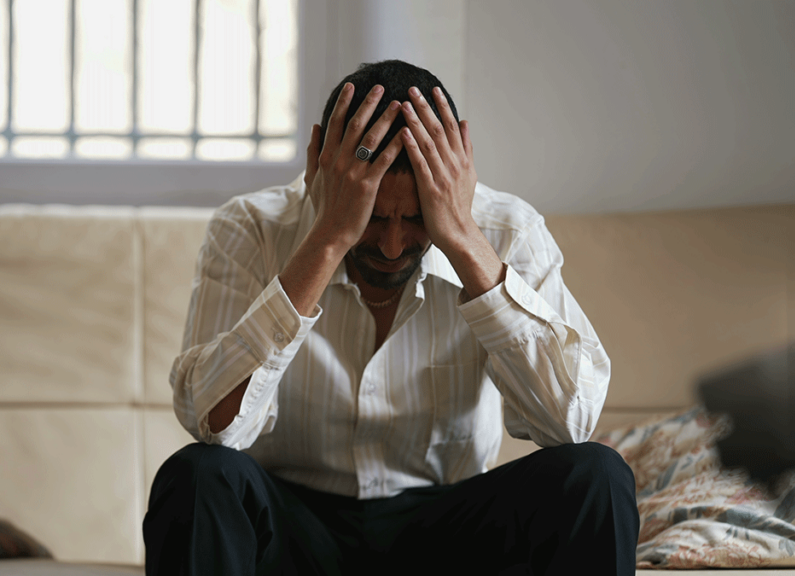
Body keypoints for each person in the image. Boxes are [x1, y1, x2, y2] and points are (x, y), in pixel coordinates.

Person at [144, 59, 639, 575]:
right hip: (292, 530)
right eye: (373, 217)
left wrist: (463, 238)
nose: (392, 244)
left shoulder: (508, 232)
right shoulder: (250, 228)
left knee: (596, 475)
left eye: (417, 218)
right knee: (199, 475)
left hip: (449, 533)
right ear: (319, 167)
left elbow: (571, 421)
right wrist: (330, 237)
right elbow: (213, 424)